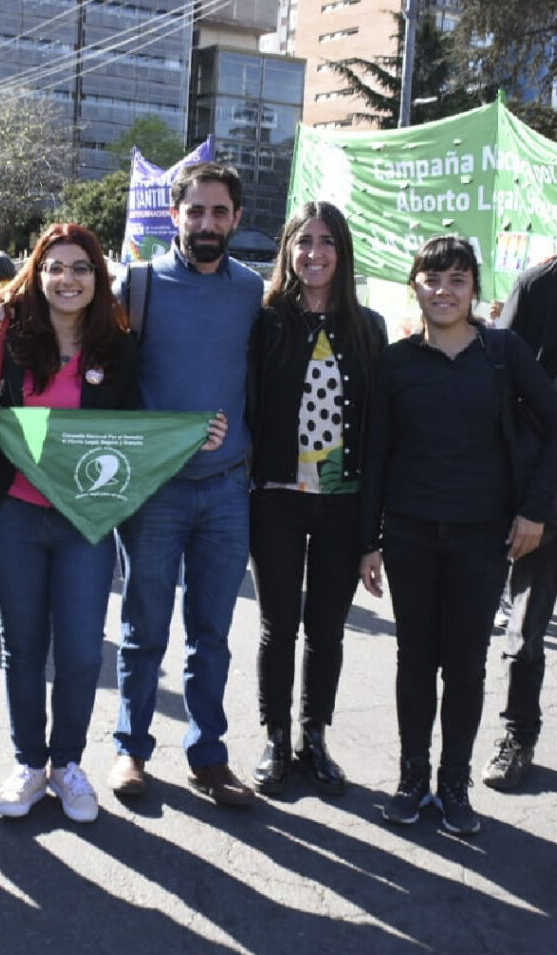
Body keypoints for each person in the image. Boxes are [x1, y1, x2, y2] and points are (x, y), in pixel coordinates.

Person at [359, 235, 557, 835]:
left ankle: (454, 784)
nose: (443, 291)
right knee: (414, 660)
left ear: (475, 288)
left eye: (456, 279)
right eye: (431, 278)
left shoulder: (504, 353)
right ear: (415, 286)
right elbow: (376, 455)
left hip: (484, 537)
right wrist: (368, 540)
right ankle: (412, 778)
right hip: (409, 534)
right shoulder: (396, 362)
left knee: (466, 666)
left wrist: (533, 512)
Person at [0, 223, 138, 823]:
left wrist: (199, 433)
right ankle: (28, 764)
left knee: (83, 652)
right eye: (56, 267)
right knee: (23, 647)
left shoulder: (119, 348)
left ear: (98, 278)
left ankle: (67, 764)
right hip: (12, 514)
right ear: (38, 274)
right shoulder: (8, 334)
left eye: (81, 268)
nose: (68, 279)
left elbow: (139, 429)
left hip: (85, 522)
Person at [109, 160, 263, 806]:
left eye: (218, 212)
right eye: (194, 211)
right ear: (174, 216)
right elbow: (106, 380)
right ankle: (131, 750)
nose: (206, 223)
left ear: (236, 219)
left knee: (213, 635)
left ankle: (208, 754)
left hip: (228, 490)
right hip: (154, 492)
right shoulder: (136, 287)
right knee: (144, 631)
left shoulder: (253, 291)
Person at [247, 201, 387, 797]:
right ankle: (275, 735)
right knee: (279, 626)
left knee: (326, 629)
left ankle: (314, 735)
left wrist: (372, 533)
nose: (315, 253)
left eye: (326, 241)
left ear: (343, 251)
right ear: (288, 250)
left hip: (343, 502)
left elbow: (380, 429)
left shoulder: (368, 327)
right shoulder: (267, 320)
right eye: (304, 241)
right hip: (276, 497)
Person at [481, 252, 557, 791]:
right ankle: (518, 735)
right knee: (527, 624)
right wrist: (523, 499)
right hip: (549, 490)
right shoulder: (541, 286)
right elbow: (499, 386)